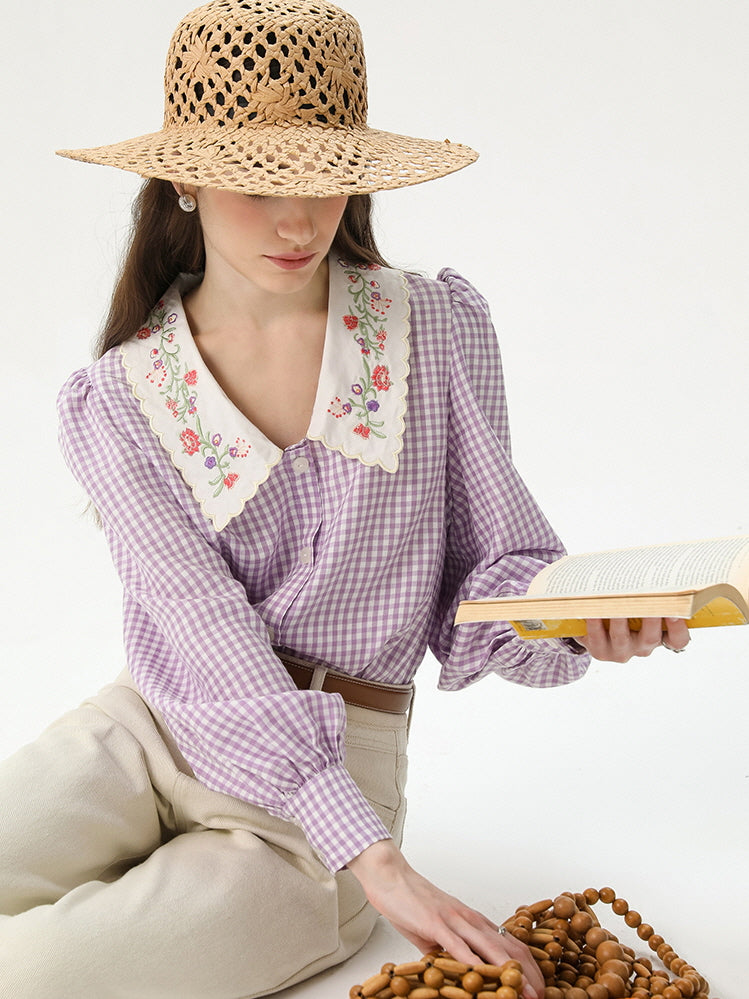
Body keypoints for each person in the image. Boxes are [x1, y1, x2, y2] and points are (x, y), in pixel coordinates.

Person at [0, 1, 690, 996]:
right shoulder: (119, 399)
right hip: (151, 729)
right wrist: (376, 860)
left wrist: (573, 623)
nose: (300, 219)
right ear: (184, 176)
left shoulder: (434, 328)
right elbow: (204, 632)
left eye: (329, 178)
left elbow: (489, 569)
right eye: (259, 183)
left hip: (305, 819)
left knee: (35, 971)